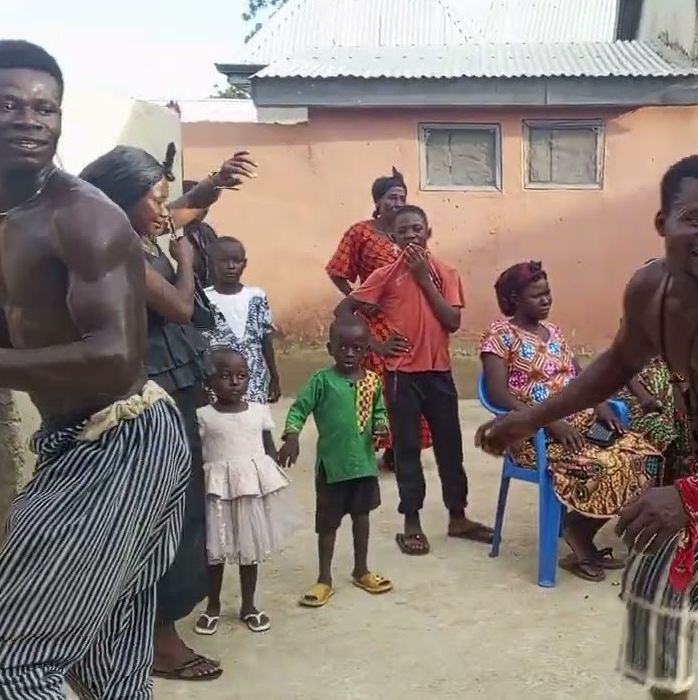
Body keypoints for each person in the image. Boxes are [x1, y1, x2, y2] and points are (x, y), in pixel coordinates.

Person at [476, 154, 698, 699]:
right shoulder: (649, 290)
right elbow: (616, 366)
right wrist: (529, 418)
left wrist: (692, 493)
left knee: (663, 564)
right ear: (663, 223)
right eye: (696, 218)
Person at [0, 39, 190, 698]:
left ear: (60, 121)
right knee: (106, 663)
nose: (28, 120)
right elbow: (5, 352)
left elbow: (113, 359)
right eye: (7, 104)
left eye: (44, 109)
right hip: (75, 443)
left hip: (125, 437)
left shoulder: (86, 217)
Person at [78, 144, 243, 682]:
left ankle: (144, 628)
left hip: (169, 388)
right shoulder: (118, 245)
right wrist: (188, 263)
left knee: (176, 508)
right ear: (119, 200)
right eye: (153, 198)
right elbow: (177, 306)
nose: (163, 209)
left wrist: (215, 183)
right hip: (147, 396)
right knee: (167, 514)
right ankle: (158, 640)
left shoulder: (134, 226)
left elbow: (189, 207)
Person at [481, 261, 663, 580]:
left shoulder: (555, 333)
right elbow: (497, 393)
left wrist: (600, 401)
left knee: (647, 459)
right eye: (537, 295)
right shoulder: (500, 335)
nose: (546, 300)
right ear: (515, 298)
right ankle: (578, 537)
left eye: (548, 293)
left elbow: (581, 379)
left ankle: (579, 528)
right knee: (600, 467)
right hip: (534, 435)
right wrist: (546, 420)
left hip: (580, 428)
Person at [350, 204, 492, 555]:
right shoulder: (385, 275)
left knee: (450, 448)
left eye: (418, 228)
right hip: (401, 374)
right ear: (394, 238)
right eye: (404, 230)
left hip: (438, 373)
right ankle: (411, 521)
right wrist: (377, 344)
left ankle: (457, 516)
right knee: (408, 449)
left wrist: (424, 278)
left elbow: (451, 321)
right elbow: (346, 313)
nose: (412, 234)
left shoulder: (446, 272)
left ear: (428, 233)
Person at [282, 318, 392, 604]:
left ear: (366, 350)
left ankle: (361, 569)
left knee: (362, 518)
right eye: (343, 347)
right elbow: (299, 409)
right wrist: (291, 436)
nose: (350, 353)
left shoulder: (372, 381)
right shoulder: (322, 381)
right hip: (332, 469)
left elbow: (379, 411)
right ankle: (324, 579)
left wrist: (381, 426)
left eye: (357, 348)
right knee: (328, 526)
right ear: (331, 348)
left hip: (364, 467)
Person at [327, 169, 430, 472]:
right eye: (391, 197)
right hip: (373, 318)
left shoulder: (409, 233)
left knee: (410, 386)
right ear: (377, 201)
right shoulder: (361, 232)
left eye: (402, 197)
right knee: (376, 384)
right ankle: (368, 446)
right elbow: (336, 269)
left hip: (408, 317)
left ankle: (399, 449)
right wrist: (360, 296)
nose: (398, 203)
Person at [193, 348, 296, 636]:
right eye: (225, 376)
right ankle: (212, 606)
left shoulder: (259, 411)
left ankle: (248, 606)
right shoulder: (203, 416)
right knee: (216, 552)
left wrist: (272, 479)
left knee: (249, 550)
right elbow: (198, 455)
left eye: (242, 376)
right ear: (209, 382)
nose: (235, 382)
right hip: (217, 495)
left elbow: (268, 448)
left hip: (250, 493)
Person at [203, 236, 281, 403]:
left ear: (244, 264)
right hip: (217, 388)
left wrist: (274, 376)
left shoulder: (257, 296)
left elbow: (266, 340)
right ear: (211, 264)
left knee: (254, 424)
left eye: (236, 261)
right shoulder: (204, 300)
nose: (231, 266)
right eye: (224, 261)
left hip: (254, 383)